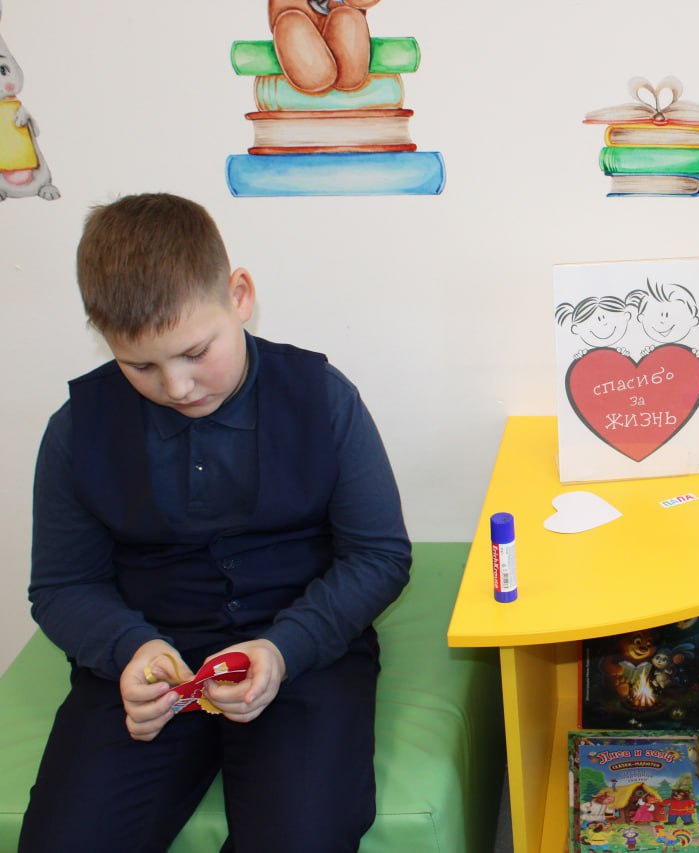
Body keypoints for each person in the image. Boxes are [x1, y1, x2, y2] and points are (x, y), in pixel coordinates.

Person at [20, 193, 412, 852]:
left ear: (240, 296)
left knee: (301, 837)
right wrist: (129, 649)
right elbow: (62, 585)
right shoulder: (76, 430)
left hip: (302, 656)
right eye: (140, 366)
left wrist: (284, 649)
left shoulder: (321, 397)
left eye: (196, 352)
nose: (177, 387)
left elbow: (378, 556)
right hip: (149, 673)